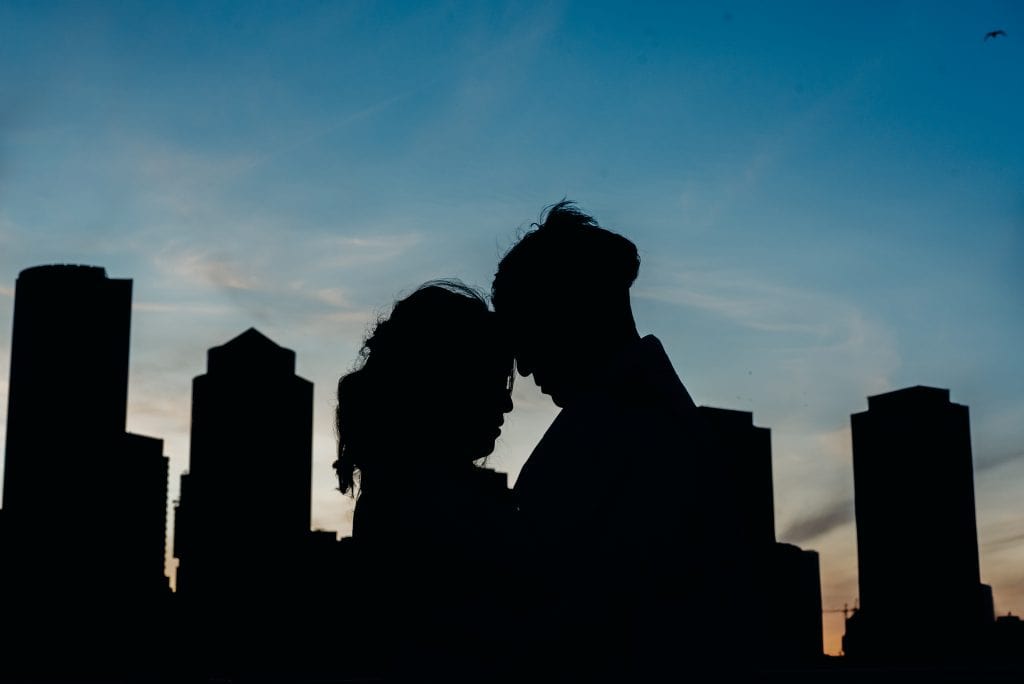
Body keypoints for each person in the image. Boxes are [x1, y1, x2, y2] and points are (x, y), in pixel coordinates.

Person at [493, 201, 716, 677]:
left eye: (528, 335)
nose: (526, 368)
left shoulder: (625, 428)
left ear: (571, 314)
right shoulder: (652, 416)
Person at [333, 280, 515, 679]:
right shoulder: (433, 507)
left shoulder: (397, 491)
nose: (507, 403)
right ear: (444, 384)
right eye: (493, 382)